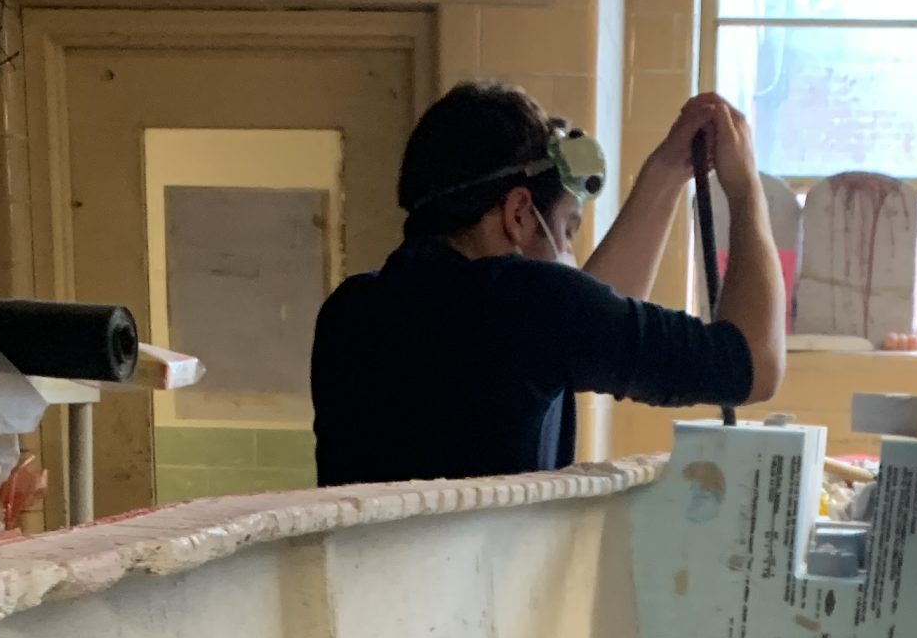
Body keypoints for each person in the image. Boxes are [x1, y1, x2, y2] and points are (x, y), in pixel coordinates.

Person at [311, 84, 784, 487]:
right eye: (568, 229)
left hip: (367, 592)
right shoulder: (528, 304)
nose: (568, 255)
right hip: (488, 594)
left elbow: (578, 318)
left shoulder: (351, 310)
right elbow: (754, 365)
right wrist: (744, 190)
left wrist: (664, 176)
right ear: (519, 214)